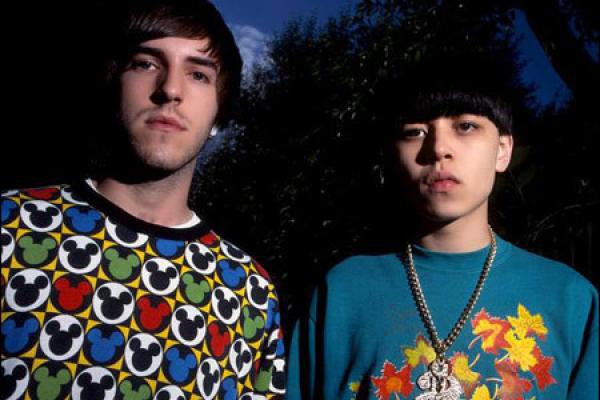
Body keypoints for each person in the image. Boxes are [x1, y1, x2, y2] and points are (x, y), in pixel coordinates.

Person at [0, 1, 285, 399]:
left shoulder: (251, 292)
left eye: (199, 74)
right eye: (146, 64)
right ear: (112, 83)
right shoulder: (10, 224)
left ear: (219, 115)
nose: (170, 89)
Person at [286, 54, 598, 399]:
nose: (438, 148)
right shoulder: (343, 291)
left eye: (465, 126)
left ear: (502, 150)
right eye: (415, 132)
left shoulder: (570, 299)